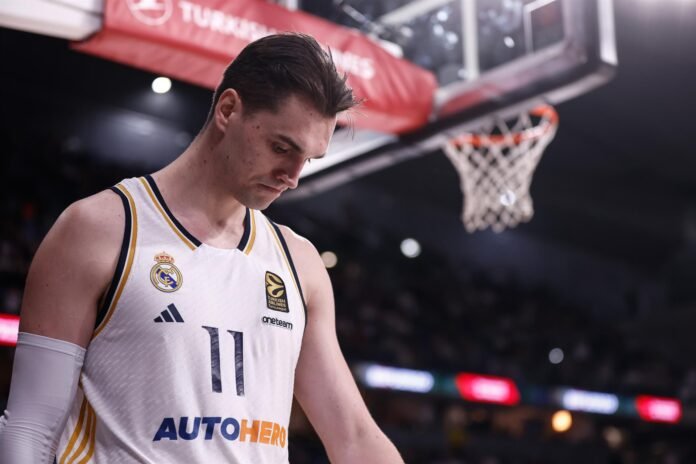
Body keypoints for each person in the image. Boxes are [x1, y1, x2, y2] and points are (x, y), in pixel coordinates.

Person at [0, 33, 404, 463]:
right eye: (282, 148)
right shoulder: (99, 229)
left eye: (308, 159)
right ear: (228, 110)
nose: (293, 176)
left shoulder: (299, 262)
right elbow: (31, 427)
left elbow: (354, 438)